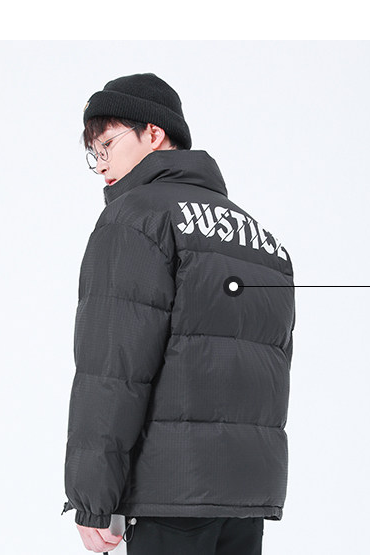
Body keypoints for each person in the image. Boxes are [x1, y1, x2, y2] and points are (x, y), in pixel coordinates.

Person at [62, 73, 295, 554]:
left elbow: (112, 369)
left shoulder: (135, 219)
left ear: (154, 133)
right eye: (93, 152)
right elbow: (273, 371)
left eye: (107, 143)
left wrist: (93, 498)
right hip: (246, 497)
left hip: (169, 494)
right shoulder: (261, 239)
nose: (100, 163)